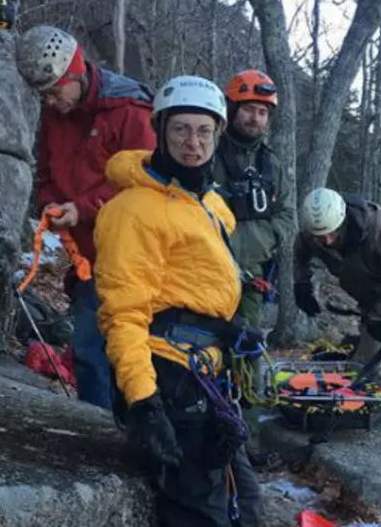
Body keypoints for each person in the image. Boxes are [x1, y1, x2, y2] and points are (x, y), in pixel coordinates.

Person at [94, 75, 263, 526]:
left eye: (204, 131)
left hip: (206, 369)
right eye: (181, 130)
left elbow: (194, 287)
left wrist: (229, 330)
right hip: (167, 373)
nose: (193, 143)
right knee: (198, 512)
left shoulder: (208, 204)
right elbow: (123, 314)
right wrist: (144, 404)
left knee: (246, 502)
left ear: (217, 135)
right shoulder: (133, 211)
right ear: (161, 131)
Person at [15, 26, 156, 410]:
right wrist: (51, 204)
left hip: (131, 259)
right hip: (87, 262)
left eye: (54, 91)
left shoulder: (129, 112)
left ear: (75, 75)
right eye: (41, 95)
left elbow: (148, 182)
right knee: (88, 353)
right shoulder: (57, 114)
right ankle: (94, 432)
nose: (48, 102)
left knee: (129, 356)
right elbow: (45, 172)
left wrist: (85, 207)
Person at [294, 188, 381, 431]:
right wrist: (301, 284)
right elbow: (300, 255)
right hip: (370, 292)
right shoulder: (313, 231)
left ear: (342, 220)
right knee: (368, 362)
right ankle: (375, 399)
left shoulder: (377, 229)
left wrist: (377, 316)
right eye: (320, 237)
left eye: (331, 234)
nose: (326, 241)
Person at [211, 69, 294, 463]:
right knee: (204, 348)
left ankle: (244, 443)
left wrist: (251, 242)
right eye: (249, 110)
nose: (255, 119)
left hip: (251, 281)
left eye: (262, 112)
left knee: (248, 354)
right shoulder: (208, 151)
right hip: (205, 273)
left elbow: (286, 219)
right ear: (233, 109)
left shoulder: (272, 166)